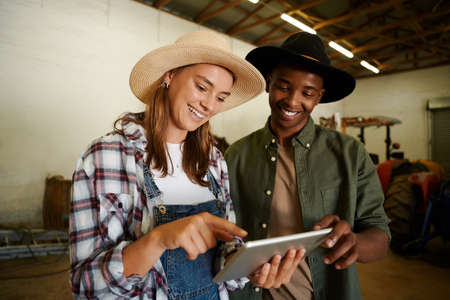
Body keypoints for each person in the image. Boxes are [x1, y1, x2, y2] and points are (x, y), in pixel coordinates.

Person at [69, 30, 269, 299]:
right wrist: (158, 239)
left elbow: (223, 253)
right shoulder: (106, 156)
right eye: (202, 87)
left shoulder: (214, 161)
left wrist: (249, 266)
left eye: (221, 97)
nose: (209, 105)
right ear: (170, 75)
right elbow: (86, 285)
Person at [225, 32, 391, 300]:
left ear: (319, 97)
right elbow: (223, 232)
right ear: (269, 83)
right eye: (284, 86)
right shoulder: (236, 155)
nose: (292, 101)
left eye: (307, 92)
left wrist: (355, 243)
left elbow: (380, 236)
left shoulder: (351, 154)